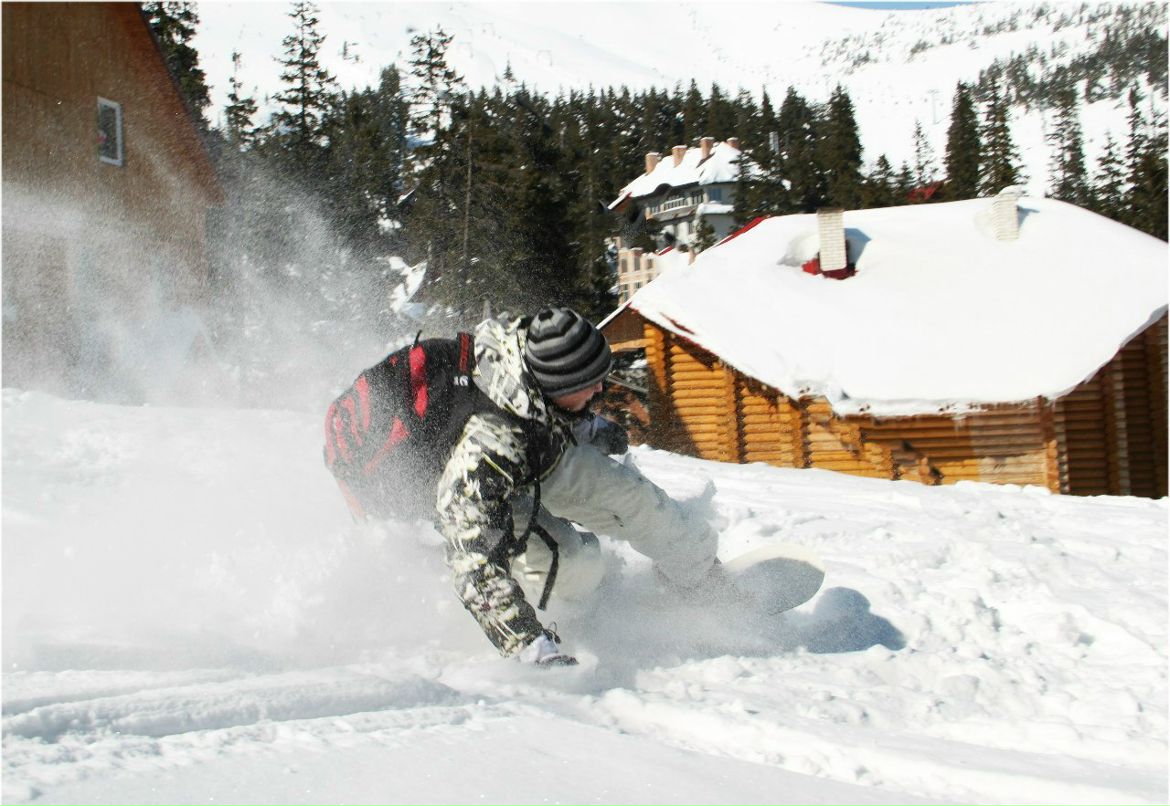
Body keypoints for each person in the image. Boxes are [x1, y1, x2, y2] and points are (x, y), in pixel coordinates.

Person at [326, 307, 718, 665]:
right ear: (561, 385)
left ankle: (699, 578)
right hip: (466, 482)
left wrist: (593, 427)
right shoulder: (489, 445)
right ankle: (590, 605)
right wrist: (528, 646)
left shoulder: (526, 354)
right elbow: (472, 559)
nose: (601, 390)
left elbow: (552, 403)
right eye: (591, 383)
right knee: (574, 566)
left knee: (634, 499)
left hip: (535, 450)